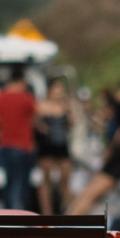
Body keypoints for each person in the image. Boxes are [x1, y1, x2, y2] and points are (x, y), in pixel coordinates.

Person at [67, 82, 120, 215]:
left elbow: (113, 152)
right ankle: (68, 222)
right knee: (88, 193)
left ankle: (67, 224)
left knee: (90, 193)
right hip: (118, 164)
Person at [0, 65, 38, 210]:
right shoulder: (27, 98)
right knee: (24, 184)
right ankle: (25, 217)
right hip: (24, 146)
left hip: (5, 145)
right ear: (21, 80)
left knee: (9, 182)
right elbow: (33, 119)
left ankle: (7, 215)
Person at [35, 80, 73, 214]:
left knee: (65, 179)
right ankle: (47, 213)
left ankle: (68, 211)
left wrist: (69, 110)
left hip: (62, 145)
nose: (59, 94)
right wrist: (41, 128)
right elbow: (34, 121)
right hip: (47, 145)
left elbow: (71, 124)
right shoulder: (41, 106)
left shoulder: (65, 107)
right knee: (46, 181)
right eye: (57, 91)